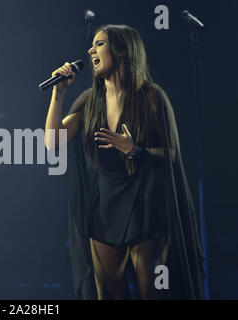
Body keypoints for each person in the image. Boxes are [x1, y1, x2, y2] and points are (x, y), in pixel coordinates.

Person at [44, 24, 205, 299]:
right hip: (107, 205)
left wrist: (135, 150)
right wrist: (58, 94)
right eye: (92, 45)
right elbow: (52, 142)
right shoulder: (89, 101)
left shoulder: (152, 98)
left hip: (146, 203)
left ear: (122, 50)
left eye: (99, 44)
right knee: (107, 291)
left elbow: (172, 155)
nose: (90, 50)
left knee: (152, 290)